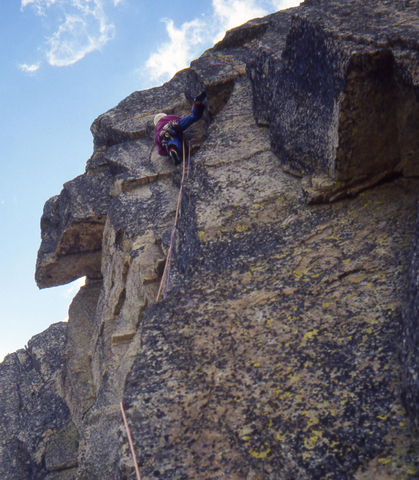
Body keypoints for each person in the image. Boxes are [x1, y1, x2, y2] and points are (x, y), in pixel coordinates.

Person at [154, 91, 207, 165]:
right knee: (193, 116)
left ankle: (172, 150)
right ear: (164, 115)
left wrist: (165, 151)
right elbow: (181, 119)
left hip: (165, 134)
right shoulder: (169, 117)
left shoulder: (157, 130)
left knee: (172, 142)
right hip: (175, 124)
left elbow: (160, 151)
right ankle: (197, 103)